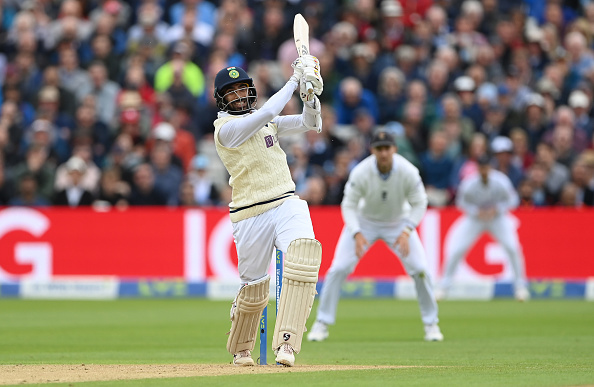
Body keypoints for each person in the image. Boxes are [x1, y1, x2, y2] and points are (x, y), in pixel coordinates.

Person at [212, 57, 324, 367]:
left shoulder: (266, 121)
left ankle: (287, 344)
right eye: (231, 92)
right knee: (253, 289)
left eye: (242, 88)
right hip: (250, 213)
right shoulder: (225, 129)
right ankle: (242, 348)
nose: (239, 95)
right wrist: (293, 79)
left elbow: (309, 123)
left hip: (286, 201)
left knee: (304, 256)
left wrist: (310, 96)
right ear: (222, 99)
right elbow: (269, 111)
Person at [307, 130, 444, 343]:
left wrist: (407, 230)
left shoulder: (408, 171)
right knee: (338, 269)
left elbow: (420, 202)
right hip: (365, 222)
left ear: (394, 149)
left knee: (421, 271)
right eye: (379, 149)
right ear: (372, 150)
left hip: (399, 223)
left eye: (387, 148)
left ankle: (431, 324)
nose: (383, 153)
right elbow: (349, 205)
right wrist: (357, 232)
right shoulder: (361, 171)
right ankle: (321, 323)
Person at [436, 155, 529, 302]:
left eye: (486, 168)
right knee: (456, 249)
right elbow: (461, 202)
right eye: (481, 168)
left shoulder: (501, 181)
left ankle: (520, 287)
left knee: (512, 247)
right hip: (475, 219)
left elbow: (513, 199)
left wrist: (497, 209)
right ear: (478, 168)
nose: (484, 171)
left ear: (490, 168)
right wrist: (475, 211)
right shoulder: (469, 183)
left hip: (497, 219)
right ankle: (443, 287)